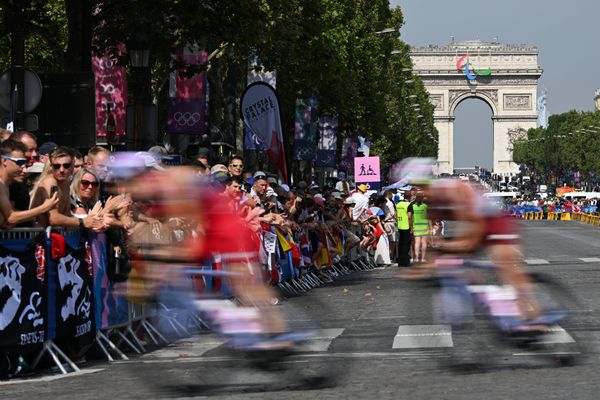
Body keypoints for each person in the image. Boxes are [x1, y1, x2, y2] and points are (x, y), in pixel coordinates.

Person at [30, 146, 104, 230]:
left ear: (73, 165)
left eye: (66, 165)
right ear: (51, 166)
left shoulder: (65, 183)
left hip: (55, 236)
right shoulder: (50, 182)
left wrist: (93, 223)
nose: (61, 170)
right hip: (39, 237)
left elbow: (67, 215)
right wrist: (83, 221)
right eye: (57, 166)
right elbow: (53, 219)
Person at [0, 140, 58, 228]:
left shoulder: (6, 185)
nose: (24, 169)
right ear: (4, 161)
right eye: (19, 162)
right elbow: (11, 217)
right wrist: (44, 207)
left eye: (24, 163)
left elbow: (9, 219)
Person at [409, 192, 431, 263]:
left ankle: (416, 258)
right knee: (424, 242)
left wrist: (411, 227)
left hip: (416, 226)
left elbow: (410, 218)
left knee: (417, 243)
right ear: (422, 198)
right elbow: (429, 217)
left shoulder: (413, 206)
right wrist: (430, 227)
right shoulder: (425, 206)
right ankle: (423, 258)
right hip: (424, 226)